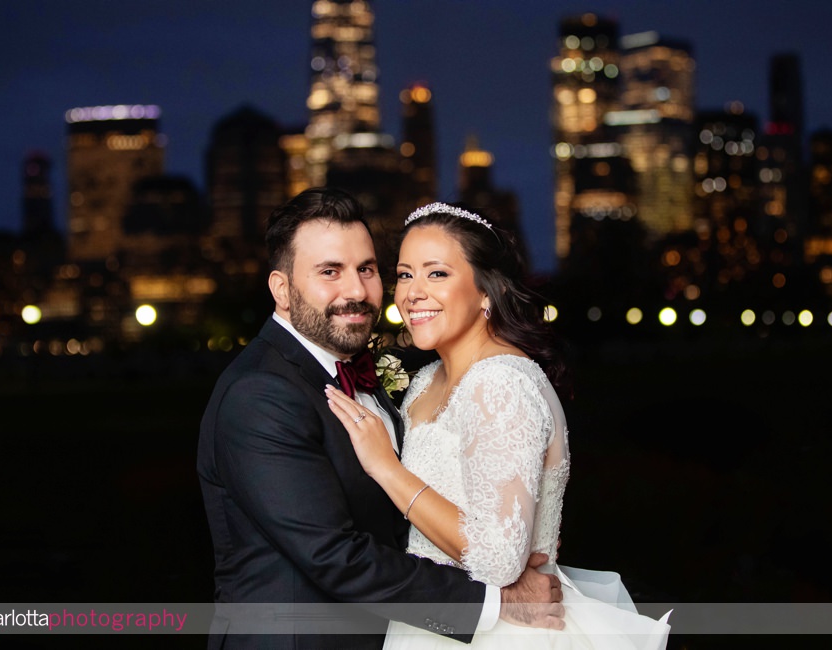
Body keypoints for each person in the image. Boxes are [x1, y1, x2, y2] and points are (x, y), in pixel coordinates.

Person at [196, 188, 564, 650]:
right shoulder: (261, 394)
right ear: (282, 290)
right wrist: (496, 603)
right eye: (330, 272)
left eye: (366, 269)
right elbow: (334, 556)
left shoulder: (401, 378)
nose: (355, 291)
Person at [326, 202, 672, 649]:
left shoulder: (501, 383)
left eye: (437, 274)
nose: (411, 292)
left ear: (486, 291)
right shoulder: (427, 380)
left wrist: (386, 468)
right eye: (405, 274)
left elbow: (497, 559)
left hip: (504, 634)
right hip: (438, 621)